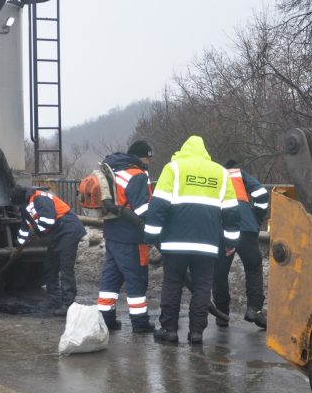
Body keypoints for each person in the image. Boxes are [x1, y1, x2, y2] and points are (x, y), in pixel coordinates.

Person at [143, 136, 240, 345]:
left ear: (183, 150)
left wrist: (150, 236)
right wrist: (231, 242)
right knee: (203, 287)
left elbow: (158, 205)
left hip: (175, 244)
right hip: (207, 243)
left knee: (172, 284)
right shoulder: (220, 173)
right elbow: (231, 212)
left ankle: (169, 330)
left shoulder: (173, 169)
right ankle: (197, 332)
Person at [95, 140, 155, 334]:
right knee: (136, 278)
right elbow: (142, 209)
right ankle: (140, 323)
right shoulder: (137, 175)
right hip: (131, 237)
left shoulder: (113, 171)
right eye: (148, 158)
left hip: (112, 233)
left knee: (110, 279)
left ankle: (106, 319)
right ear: (140, 157)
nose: (149, 162)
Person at [10, 184, 86, 316]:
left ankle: (68, 304)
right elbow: (25, 227)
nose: (17, 208)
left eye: (17, 205)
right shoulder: (26, 206)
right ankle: (53, 300)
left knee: (65, 267)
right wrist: (18, 246)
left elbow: (48, 220)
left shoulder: (40, 198)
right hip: (56, 235)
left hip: (68, 230)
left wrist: (36, 232)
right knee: (50, 266)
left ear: (21, 199)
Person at [212, 160, 269, 329]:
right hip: (246, 227)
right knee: (253, 267)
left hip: (222, 227)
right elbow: (262, 195)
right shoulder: (239, 174)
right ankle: (254, 310)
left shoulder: (214, 174)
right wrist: (256, 217)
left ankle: (222, 315)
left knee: (219, 272)